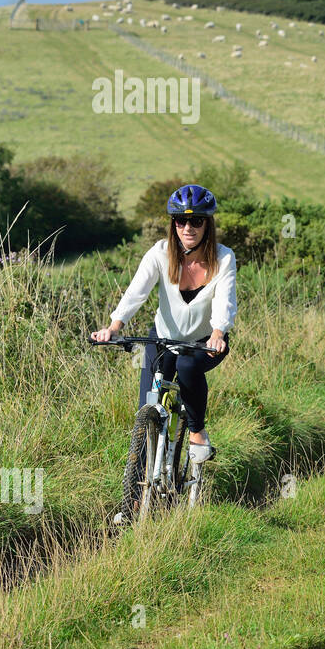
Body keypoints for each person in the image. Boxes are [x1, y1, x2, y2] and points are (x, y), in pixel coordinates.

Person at [90, 184, 237, 466]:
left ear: (208, 224)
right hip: (163, 338)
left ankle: (196, 432)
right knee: (146, 411)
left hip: (203, 342)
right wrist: (114, 327)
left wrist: (218, 333)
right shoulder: (160, 253)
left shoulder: (223, 257)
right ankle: (135, 496)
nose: (188, 227)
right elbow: (137, 291)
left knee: (187, 367)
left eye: (196, 221)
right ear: (174, 223)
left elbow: (224, 301)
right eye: (181, 220)